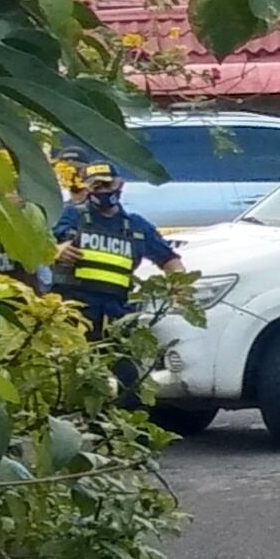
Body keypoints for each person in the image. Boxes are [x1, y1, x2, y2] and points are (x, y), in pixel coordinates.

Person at [43, 163, 180, 409]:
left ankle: (129, 435)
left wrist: (180, 289)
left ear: (120, 184)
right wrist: (57, 250)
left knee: (127, 376)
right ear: (87, 188)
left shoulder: (136, 226)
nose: (103, 191)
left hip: (116, 313)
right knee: (73, 374)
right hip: (74, 310)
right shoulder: (72, 215)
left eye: (107, 184)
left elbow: (170, 260)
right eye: (96, 186)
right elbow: (41, 246)